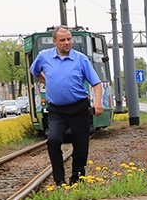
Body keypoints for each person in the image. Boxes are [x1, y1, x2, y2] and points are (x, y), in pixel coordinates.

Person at [30, 26, 104, 187]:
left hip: (79, 108)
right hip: (57, 110)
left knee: (81, 146)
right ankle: (59, 180)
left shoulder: (81, 59)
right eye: (62, 40)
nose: (67, 42)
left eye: (69, 39)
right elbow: (35, 72)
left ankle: (77, 179)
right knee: (54, 140)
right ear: (54, 41)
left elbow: (96, 83)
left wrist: (97, 101)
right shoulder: (44, 57)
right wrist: (48, 81)